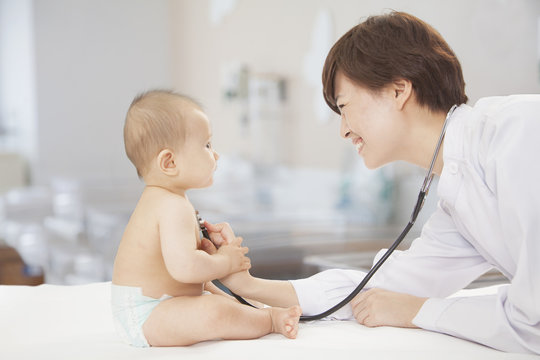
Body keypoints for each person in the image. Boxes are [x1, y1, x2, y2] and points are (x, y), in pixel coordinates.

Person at [203, 11, 540, 354]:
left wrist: (418, 312)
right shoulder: (459, 199)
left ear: (398, 90)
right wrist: (245, 283)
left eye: (345, 105)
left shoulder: (518, 133)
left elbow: (532, 321)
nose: (343, 130)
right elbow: (373, 291)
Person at [111, 90, 301, 347]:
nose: (216, 154)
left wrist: (212, 264)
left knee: (220, 300)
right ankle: (270, 320)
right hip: (148, 314)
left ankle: (255, 312)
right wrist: (225, 262)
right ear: (169, 162)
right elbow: (186, 268)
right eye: (207, 145)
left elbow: (186, 274)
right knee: (214, 311)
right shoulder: (170, 205)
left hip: (164, 303)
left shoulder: (171, 200)